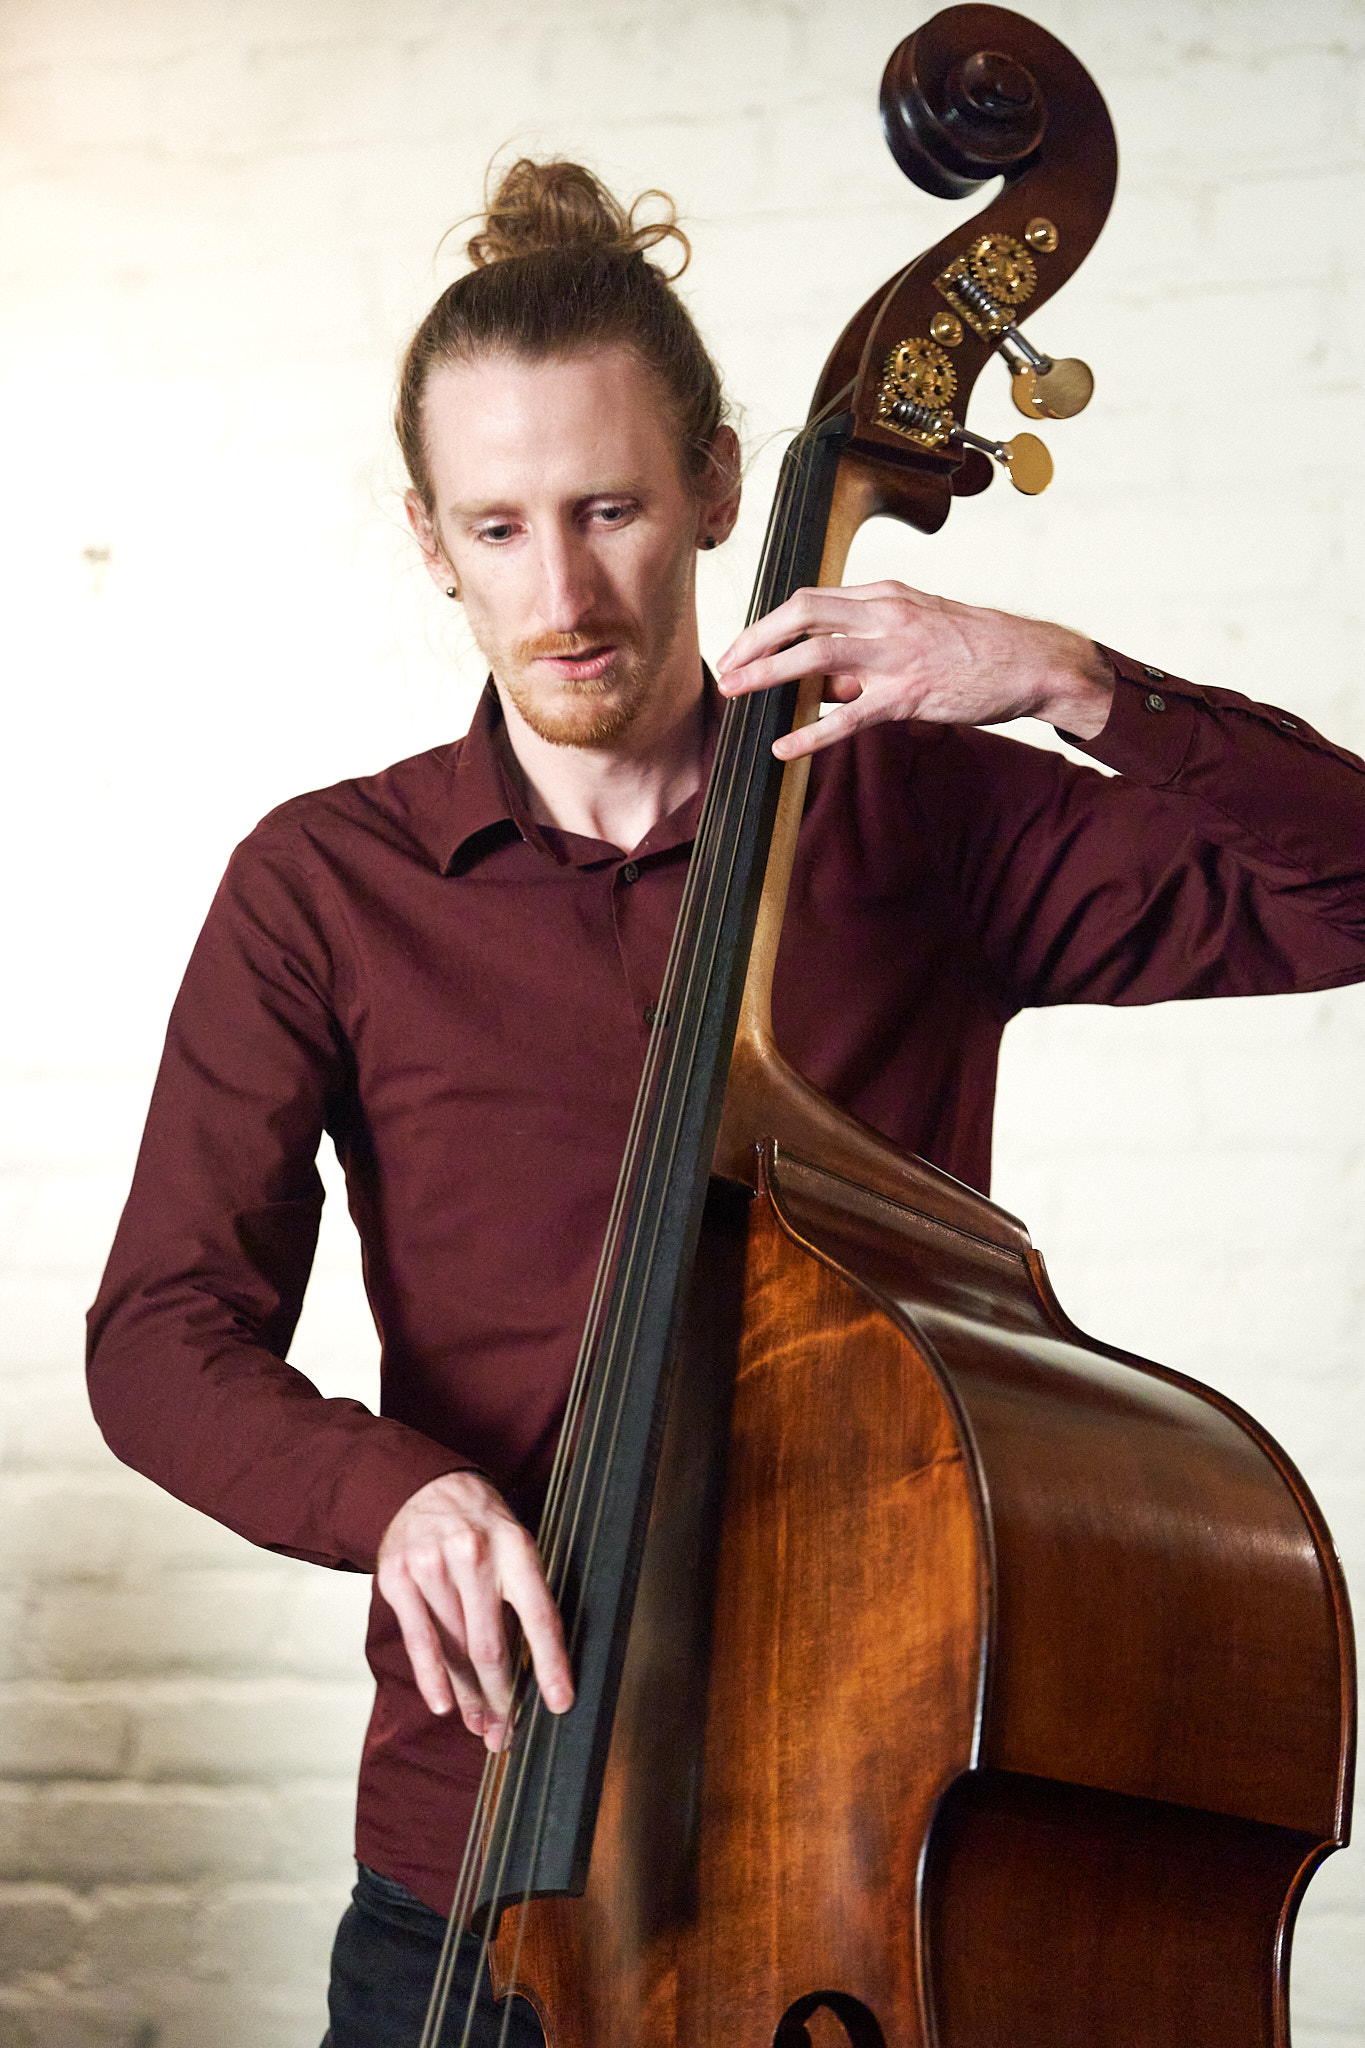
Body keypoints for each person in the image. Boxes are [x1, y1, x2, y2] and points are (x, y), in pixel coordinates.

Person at [86, 160, 1365, 2046]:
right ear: (432, 541)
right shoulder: (324, 887)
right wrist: (397, 1496)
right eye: (501, 527)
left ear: (712, 484)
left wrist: (1070, 681)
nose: (566, 590)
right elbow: (160, 1334)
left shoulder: (904, 807)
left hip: (870, 1849)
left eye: (607, 509)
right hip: (473, 1877)